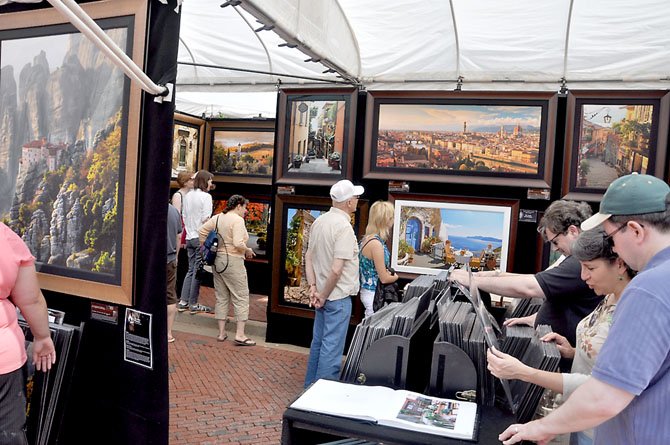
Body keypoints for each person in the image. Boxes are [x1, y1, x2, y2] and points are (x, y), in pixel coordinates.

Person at [498, 173, 670, 445]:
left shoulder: (648, 288)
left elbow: (606, 396)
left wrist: (541, 427)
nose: (612, 247)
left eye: (612, 237)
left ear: (636, 230)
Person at [487, 228, 634, 445]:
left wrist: (524, 372)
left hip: (603, 430)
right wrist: (573, 352)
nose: (583, 276)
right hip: (580, 417)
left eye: (591, 268)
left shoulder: (631, 311)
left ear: (619, 264)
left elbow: (601, 385)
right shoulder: (609, 294)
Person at [451, 200, 603, 371]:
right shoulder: (573, 260)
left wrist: (473, 281)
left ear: (573, 231)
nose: (554, 249)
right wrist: (487, 275)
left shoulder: (578, 263)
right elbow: (557, 292)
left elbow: (529, 287)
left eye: (555, 242)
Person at [303, 179, 363, 388]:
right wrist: (324, 294)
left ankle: (310, 387)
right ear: (348, 202)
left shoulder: (320, 221)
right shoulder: (344, 227)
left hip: (321, 293)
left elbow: (308, 257)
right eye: (355, 197)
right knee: (332, 347)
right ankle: (323, 394)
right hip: (336, 297)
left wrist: (314, 289)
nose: (357, 200)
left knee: (318, 343)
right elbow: (337, 270)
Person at [1, 222, 56, 444]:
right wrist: (43, 337)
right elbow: (31, 300)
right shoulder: (6, 238)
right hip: (4, 362)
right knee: (7, 432)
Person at [198, 195, 256, 346]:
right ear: (238, 205)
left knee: (222, 296)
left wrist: (207, 248)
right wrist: (248, 249)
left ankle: (222, 333)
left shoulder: (218, 218)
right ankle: (240, 334)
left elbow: (202, 232)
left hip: (217, 261)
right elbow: (238, 243)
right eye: (244, 207)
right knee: (241, 296)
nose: (245, 211)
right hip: (233, 260)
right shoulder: (237, 220)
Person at [178, 170, 214, 314]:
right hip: (200, 237)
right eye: (210, 180)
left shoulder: (187, 196)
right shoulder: (206, 197)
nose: (211, 183)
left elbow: (184, 216)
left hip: (190, 237)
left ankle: (183, 301)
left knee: (190, 269)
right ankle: (193, 304)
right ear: (205, 181)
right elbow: (206, 219)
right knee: (198, 271)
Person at [359, 201, 398, 317]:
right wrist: (396, 276)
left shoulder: (367, 239)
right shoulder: (376, 244)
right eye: (392, 217)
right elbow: (384, 278)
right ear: (386, 220)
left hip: (369, 292)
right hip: (374, 294)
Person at [166, 203, 182, 343]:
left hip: (151, 261)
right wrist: (176, 256)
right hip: (170, 259)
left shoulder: (148, 208)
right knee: (170, 296)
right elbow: (178, 236)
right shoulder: (174, 211)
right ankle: (168, 332)